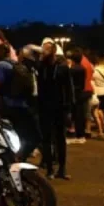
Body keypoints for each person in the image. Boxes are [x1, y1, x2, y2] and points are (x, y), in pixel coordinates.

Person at [0, 43, 40, 161]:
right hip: (22, 105)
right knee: (29, 135)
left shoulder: (0, 66)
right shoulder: (15, 64)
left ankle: (15, 159)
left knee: (5, 137)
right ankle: (21, 157)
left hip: (8, 106)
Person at [37, 38, 74, 179]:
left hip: (60, 107)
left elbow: (69, 89)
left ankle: (62, 169)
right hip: (44, 106)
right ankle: (49, 169)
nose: (44, 51)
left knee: (60, 139)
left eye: (47, 48)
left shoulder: (62, 67)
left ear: (53, 50)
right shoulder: (40, 67)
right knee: (46, 139)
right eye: (43, 48)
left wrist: (69, 109)